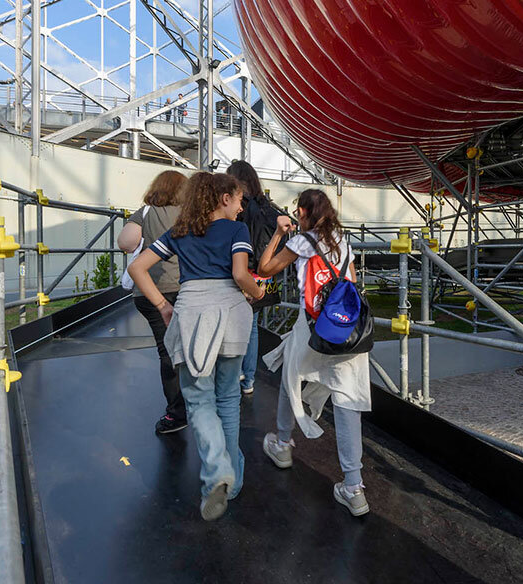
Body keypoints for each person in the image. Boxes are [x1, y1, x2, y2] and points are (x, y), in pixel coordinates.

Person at [129, 173, 266, 521]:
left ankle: (217, 469)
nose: (240, 208)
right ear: (223, 198)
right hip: (232, 314)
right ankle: (231, 480)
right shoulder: (237, 231)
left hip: (192, 313)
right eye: (238, 200)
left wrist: (162, 305)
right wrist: (259, 292)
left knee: (199, 399)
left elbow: (137, 267)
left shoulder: (179, 232)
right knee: (228, 398)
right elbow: (239, 274)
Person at [257, 188, 371, 518]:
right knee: (348, 400)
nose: (296, 216)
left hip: (313, 327)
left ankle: (282, 444)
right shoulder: (343, 240)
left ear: (306, 213)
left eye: (298, 212)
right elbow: (348, 282)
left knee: (291, 378)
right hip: (344, 329)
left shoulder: (301, 242)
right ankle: (354, 488)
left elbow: (265, 269)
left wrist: (278, 233)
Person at [117, 170, 189, 436]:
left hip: (151, 291)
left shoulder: (145, 212)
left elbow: (126, 242)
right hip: (185, 288)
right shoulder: (188, 213)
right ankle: (200, 402)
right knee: (193, 347)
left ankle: (176, 413)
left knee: (167, 351)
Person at [225, 159, 283, 396]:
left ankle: (235, 372)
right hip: (263, 274)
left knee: (235, 326)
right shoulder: (268, 207)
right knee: (252, 327)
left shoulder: (241, 207)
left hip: (242, 272)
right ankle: (248, 379)